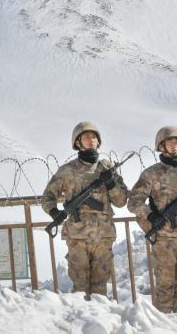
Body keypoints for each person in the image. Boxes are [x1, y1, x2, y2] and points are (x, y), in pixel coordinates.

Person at [41, 121, 129, 299]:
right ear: (77, 142)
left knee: (100, 289)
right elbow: (47, 197)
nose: (91, 140)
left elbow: (121, 201)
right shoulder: (67, 171)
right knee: (80, 290)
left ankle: (101, 317)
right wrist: (54, 212)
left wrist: (111, 183)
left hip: (103, 237)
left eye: (94, 137)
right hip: (77, 238)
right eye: (86, 137)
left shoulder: (107, 168)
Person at [127, 125, 177, 314]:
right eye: (170, 142)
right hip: (165, 240)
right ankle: (163, 325)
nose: (175, 145)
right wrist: (150, 215)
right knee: (164, 287)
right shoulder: (151, 174)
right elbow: (133, 202)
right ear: (161, 146)